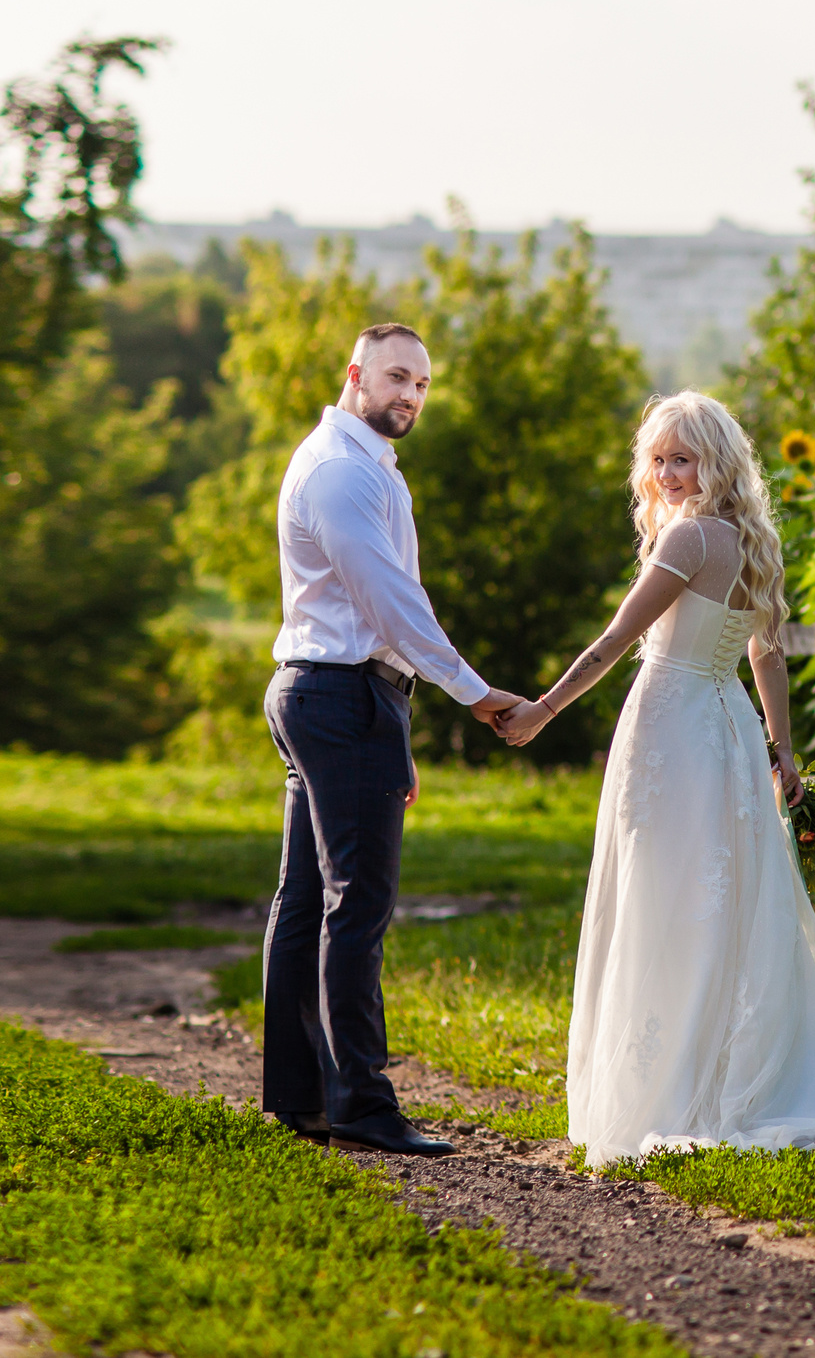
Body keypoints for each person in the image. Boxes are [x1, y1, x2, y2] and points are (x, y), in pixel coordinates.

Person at [496, 391, 815, 1160]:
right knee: (716, 899)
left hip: (673, 726)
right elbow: (765, 656)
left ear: (715, 461)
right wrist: (781, 749)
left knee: (665, 894)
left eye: (682, 457)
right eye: (656, 459)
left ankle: (677, 1086)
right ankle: (718, 1067)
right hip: (727, 731)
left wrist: (543, 709)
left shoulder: (686, 543)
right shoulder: (752, 542)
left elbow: (620, 636)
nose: (667, 473)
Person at [264, 322, 529, 1156]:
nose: (409, 395)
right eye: (395, 377)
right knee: (356, 904)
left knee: (309, 898)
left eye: (420, 383)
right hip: (337, 697)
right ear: (355, 375)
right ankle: (363, 1109)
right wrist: (475, 693)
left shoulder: (364, 466)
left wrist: (399, 727)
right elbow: (388, 602)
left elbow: (375, 620)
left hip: (340, 696)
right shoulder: (342, 472)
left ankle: (302, 1099)